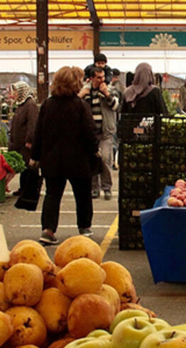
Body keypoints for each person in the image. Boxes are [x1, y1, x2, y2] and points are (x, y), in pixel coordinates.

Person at [31, 66, 99, 245]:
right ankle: (84, 228)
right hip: (78, 160)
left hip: (52, 159)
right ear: (74, 83)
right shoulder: (80, 106)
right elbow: (90, 132)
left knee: (52, 195)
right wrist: (94, 150)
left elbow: (38, 132)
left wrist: (35, 156)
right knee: (82, 194)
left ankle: (48, 230)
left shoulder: (47, 104)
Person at [80, 66, 120, 200]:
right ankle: (94, 188)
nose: (102, 80)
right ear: (91, 78)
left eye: (103, 77)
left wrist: (107, 95)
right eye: (98, 77)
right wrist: (81, 96)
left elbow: (116, 107)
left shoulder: (110, 89)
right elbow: (75, 107)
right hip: (89, 133)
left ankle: (107, 187)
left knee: (105, 159)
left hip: (106, 132)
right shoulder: (85, 91)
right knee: (92, 159)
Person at [9, 81, 38, 196]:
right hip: (20, 143)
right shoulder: (21, 104)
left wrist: (30, 140)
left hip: (26, 144)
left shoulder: (30, 105)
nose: (14, 93)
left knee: (29, 167)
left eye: (15, 91)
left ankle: (31, 189)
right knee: (24, 167)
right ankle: (24, 188)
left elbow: (32, 124)